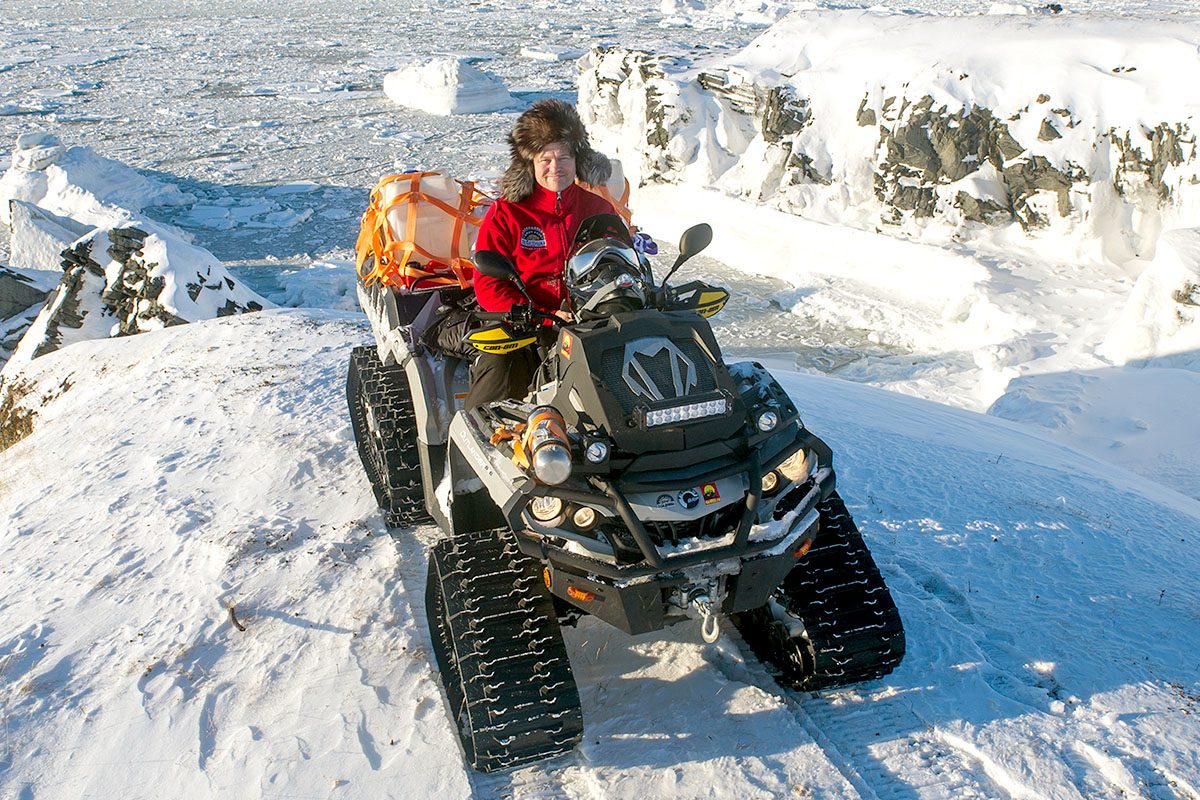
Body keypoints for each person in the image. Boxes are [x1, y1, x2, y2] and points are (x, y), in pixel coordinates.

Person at [464, 99, 617, 411]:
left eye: (564, 157)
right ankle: (483, 429)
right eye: (545, 159)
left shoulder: (598, 209)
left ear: (578, 160)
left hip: (590, 320)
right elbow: (488, 284)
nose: (555, 167)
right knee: (499, 370)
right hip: (526, 322)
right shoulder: (507, 212)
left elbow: (619, 260)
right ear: (529, 163)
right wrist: (537, 314)